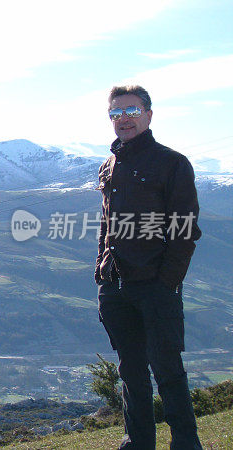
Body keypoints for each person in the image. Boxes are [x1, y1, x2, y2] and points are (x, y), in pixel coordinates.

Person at [95, 85, 203, 449]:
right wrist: (101, 271)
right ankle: (137, 442)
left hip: (156, 285)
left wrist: (167, 281)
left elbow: (184, 229)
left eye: (130, 111)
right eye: (115, 113)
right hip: (116, 285)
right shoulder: (109, 165)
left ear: (149, 115)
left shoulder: (172, 163)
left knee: (168, 370)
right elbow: (107, 223)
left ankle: (186, 444)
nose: (122, 119)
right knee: (131, 371)